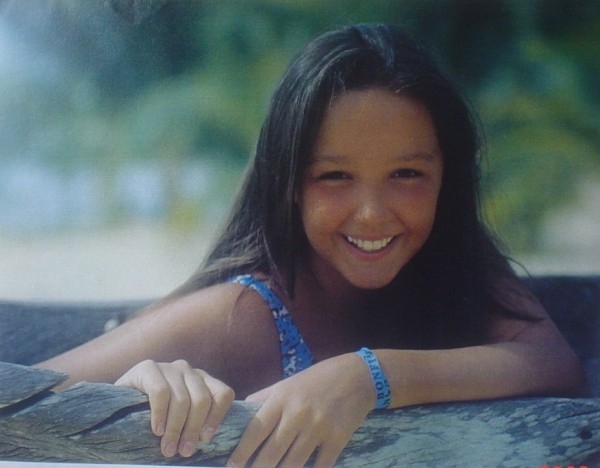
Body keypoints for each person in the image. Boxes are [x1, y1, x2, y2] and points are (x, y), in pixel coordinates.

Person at [37, 23, 585, 467]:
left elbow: (553, 361)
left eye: (406, 174)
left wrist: (366, 377)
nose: (372, 213)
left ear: (448, 178)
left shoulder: (451, 263)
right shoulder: (239, 316)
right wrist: (134, 384)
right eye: (335, 177)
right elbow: (19, 403)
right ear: (289, 185)